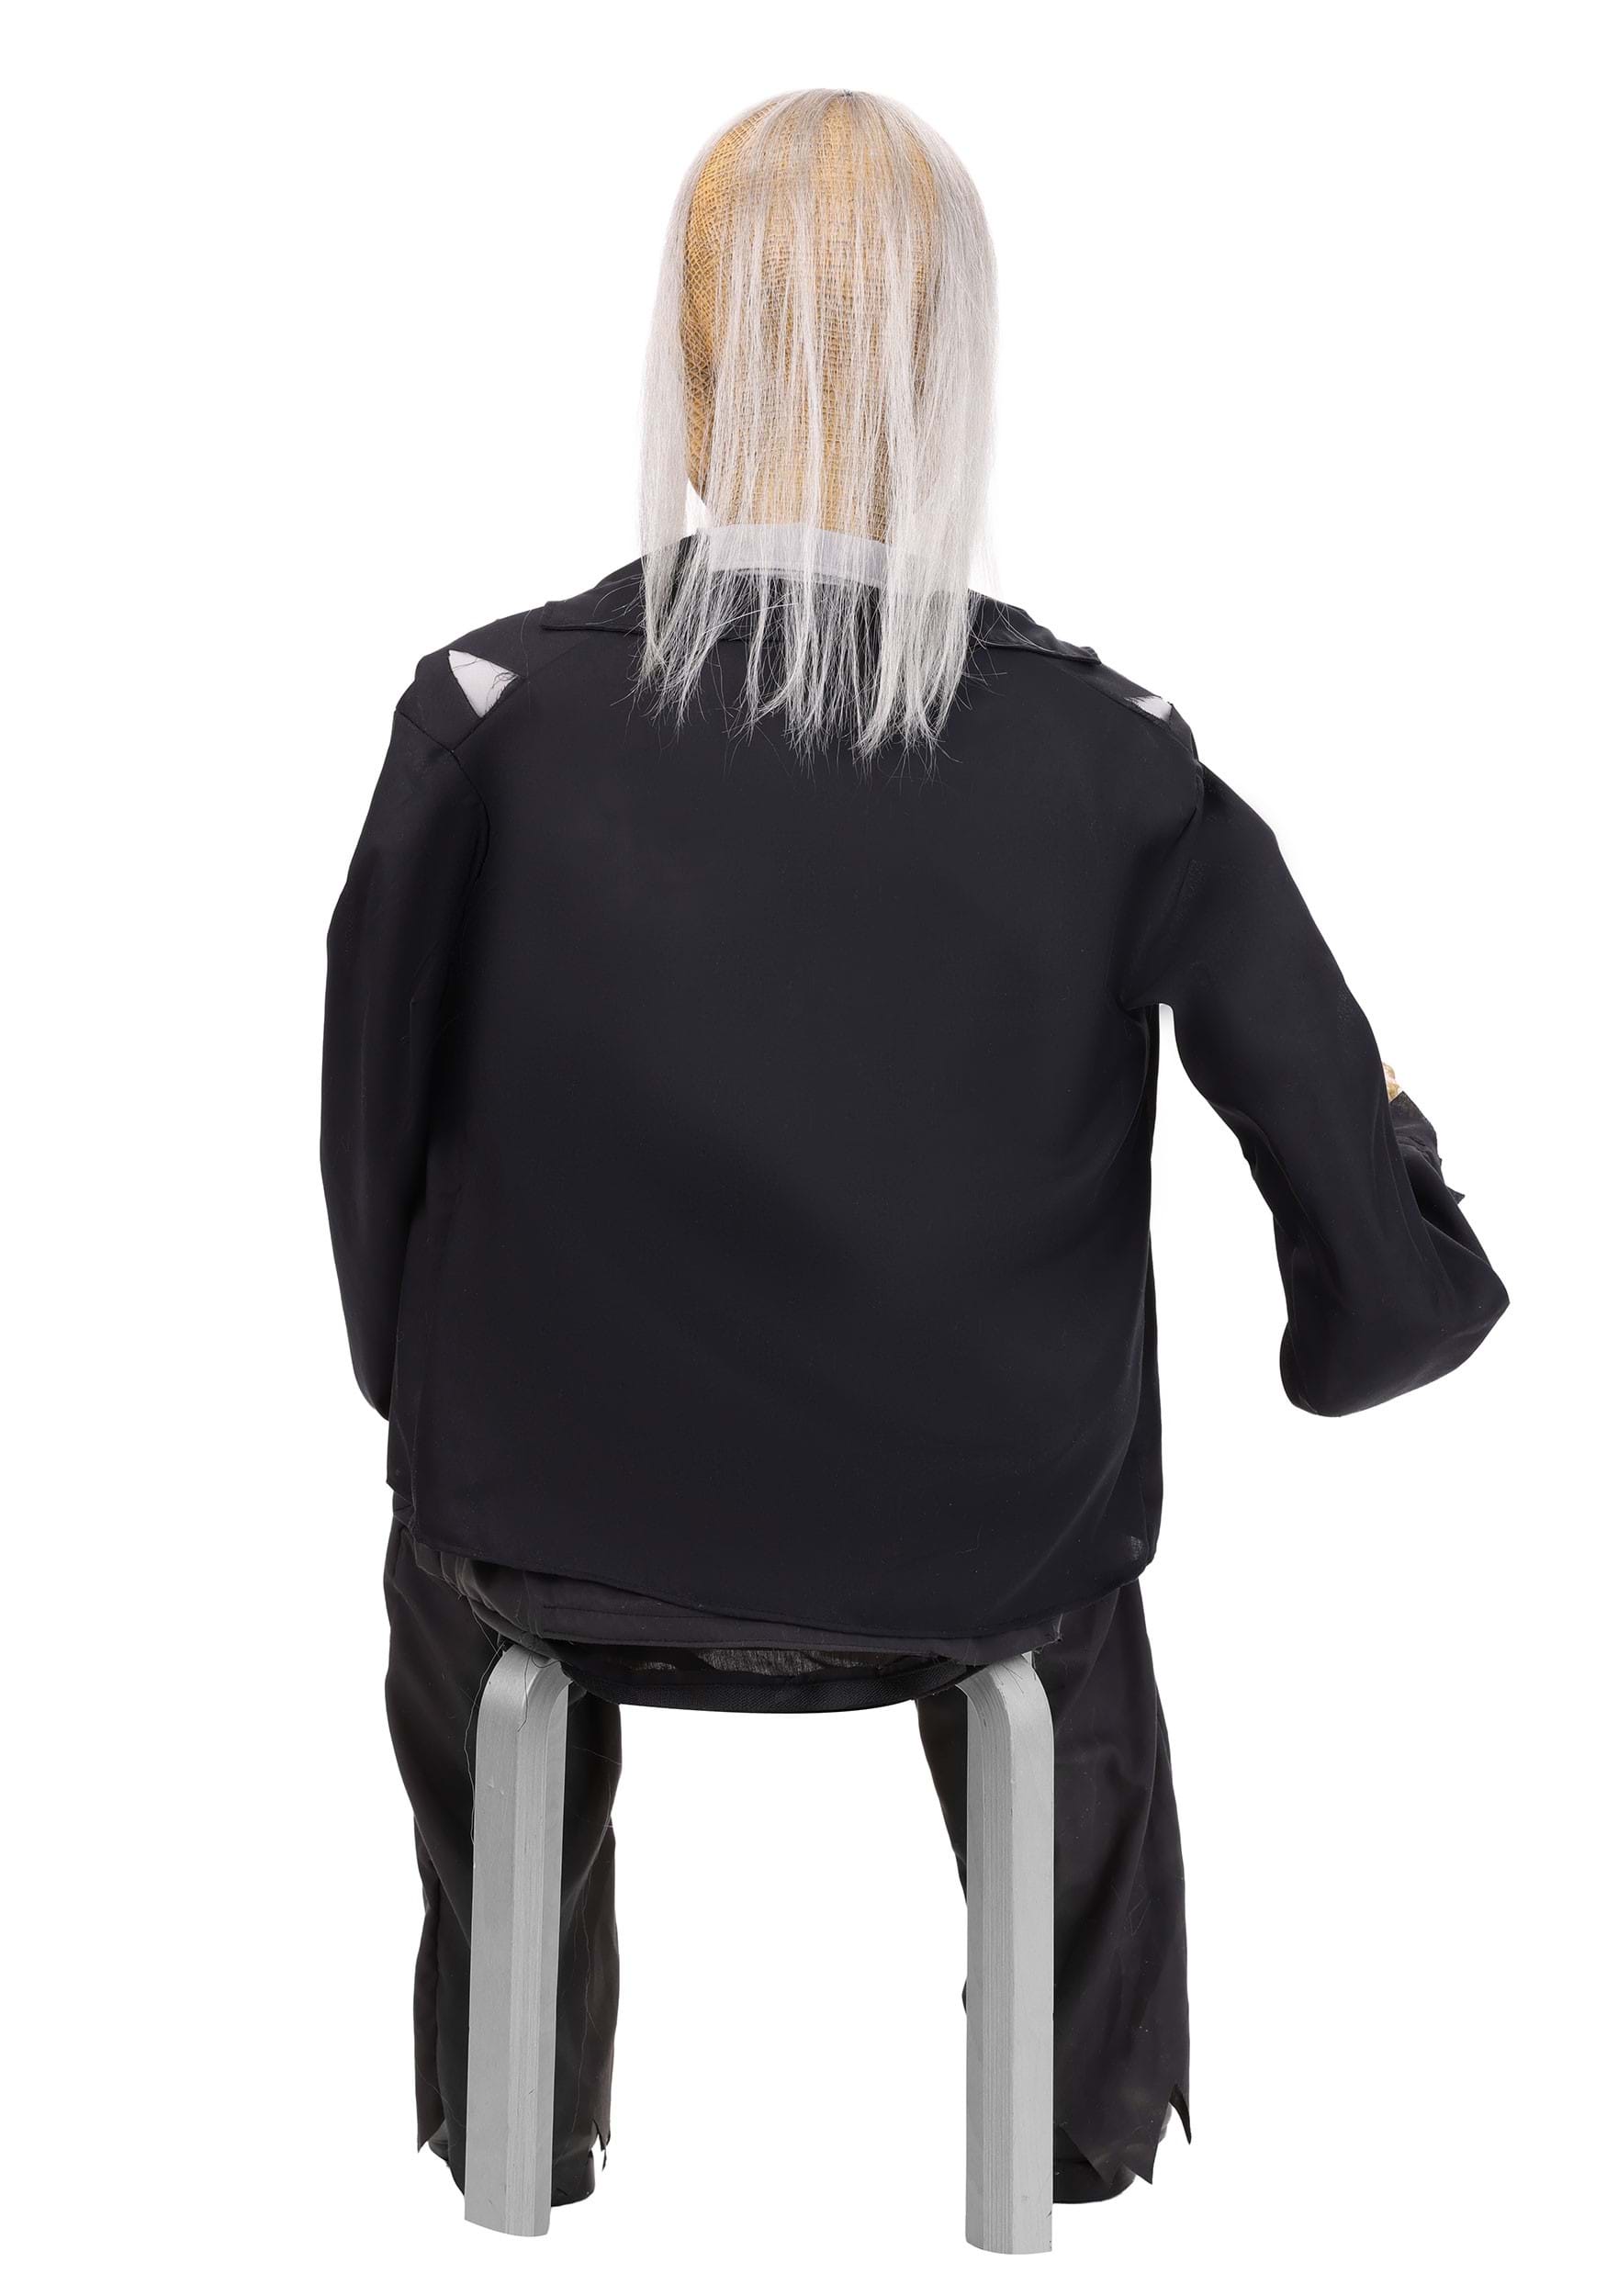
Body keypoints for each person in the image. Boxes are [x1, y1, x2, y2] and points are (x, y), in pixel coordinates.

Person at [322, 89, 1508, 2212]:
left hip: (540, 1525)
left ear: (694, 375)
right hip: (983, 1551)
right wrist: (1386, 1236)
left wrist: (427, 1402)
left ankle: (518, 2124)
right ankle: (1075, 2135)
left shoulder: (488, 715)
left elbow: (366, 1141)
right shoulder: (1115, 759)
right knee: (1071, 1624)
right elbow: (1377, 1273)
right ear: (949, 382)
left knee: (451, 1581)